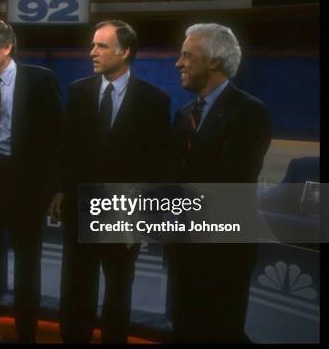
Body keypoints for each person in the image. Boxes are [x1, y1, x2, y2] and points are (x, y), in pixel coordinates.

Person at [49, 20, 170, 343]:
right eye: (93, 45)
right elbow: (67, 146)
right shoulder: (79, 91)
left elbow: (157, 165)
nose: (92, 52)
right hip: (79, 205)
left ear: (125, 51)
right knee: (75, 286)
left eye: (101, 45)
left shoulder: (154, 100)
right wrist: (60, 189)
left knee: (118, 290)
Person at [164, 23, 271, 342]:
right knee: (184, 329)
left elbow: (227, 183)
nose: (178, 63)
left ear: (213, 61)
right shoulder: (184, 113)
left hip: (222, 254)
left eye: (186, 55)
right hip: (184, 249)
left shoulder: (249, 112)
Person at [0, 18, 62, 343]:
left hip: (27, 188)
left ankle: (26, 333)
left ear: (7, 46)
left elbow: (57, 137)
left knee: (27, 266)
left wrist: (55, 188)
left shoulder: (39, 79)